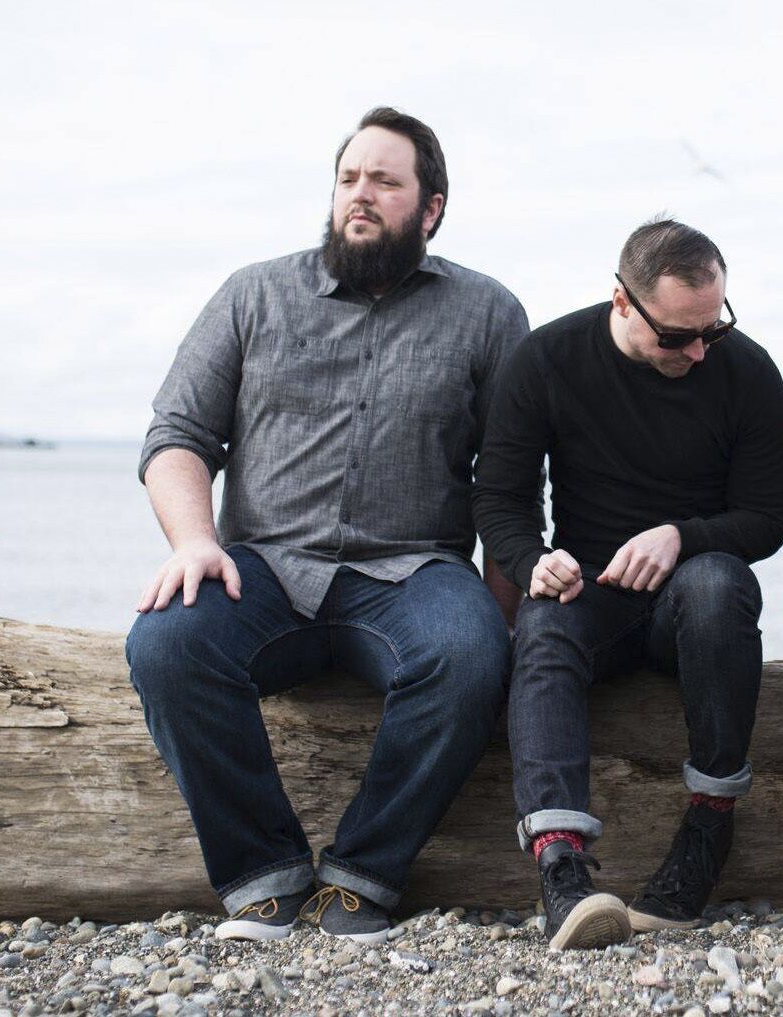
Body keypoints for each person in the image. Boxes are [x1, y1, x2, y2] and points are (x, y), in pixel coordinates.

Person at [125, 107, 529, 943]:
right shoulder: (252, 294)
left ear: (432, 206)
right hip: (264, 570)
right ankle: (264, 873)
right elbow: (176, 437)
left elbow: (511, 482)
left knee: (471, 650)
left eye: (385, 181)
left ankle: (362, 874)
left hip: (413, 575)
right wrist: (195, 542)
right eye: (350, 178)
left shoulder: (489, 312)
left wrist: (504, 619)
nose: (361, 195)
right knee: (166, 642)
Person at [474, 217, 783, 949]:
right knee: (545, 621)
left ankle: (710, 823)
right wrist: (531, 562)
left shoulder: (744, 370)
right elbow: (499, 499)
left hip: (696, 601)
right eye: (677, 336)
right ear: (622, 301)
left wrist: (683, 534)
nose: (699, 350)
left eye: (713, 327)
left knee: (718, 583)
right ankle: (562, 869)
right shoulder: (547, 358)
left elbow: (769, 517)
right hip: (595, 593)